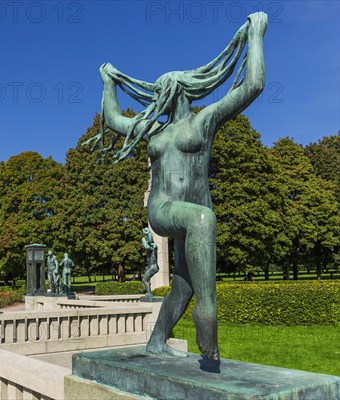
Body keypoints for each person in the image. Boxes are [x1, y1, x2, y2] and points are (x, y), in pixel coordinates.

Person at [87, 13, 267, 361]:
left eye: (164, 89)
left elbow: (253, 85)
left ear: (180, 90)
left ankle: (157, 340)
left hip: (190, 213)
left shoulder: (205, 119)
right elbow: (112, 119)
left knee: (183, 285)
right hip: (164, 209)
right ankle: (208, 316)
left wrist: (256, 33)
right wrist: (108, 82)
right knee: (203, 219)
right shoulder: (153, 131)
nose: (158, 96)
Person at [141, 227, 159, 299]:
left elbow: (146, 246)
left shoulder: (153, 246)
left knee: (144, 279)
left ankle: (149, 293)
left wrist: (143, 240)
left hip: (152, 267)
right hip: (152, 266)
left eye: (146, 237)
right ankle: (145, 289)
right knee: (146, 279)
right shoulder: (154, 246)